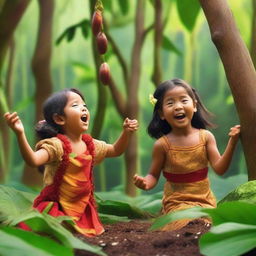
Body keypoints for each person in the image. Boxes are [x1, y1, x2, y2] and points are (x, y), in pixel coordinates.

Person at [4, 88, 138, 237]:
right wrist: (20, 134)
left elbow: (114, 150)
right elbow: (33, 160)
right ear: (60, 119)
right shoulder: (56, 145)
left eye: (85, 106)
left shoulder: (90, 144)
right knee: (54, 232)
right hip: (59, 208)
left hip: (82, 206)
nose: (83, 108)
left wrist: (126, 133)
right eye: (75, 105)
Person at [134, 78, 240, 231]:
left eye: (183, 100)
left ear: (194, 105)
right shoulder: (162, 145)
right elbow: (153, 175)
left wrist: (233, 141)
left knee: (209, 223)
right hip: (177, 204)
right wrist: (145, 183)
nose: (178, 107)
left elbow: (220, 168)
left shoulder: (206, 137)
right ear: (161, 113)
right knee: (184, 224)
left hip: (205, 202)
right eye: (170, 103)